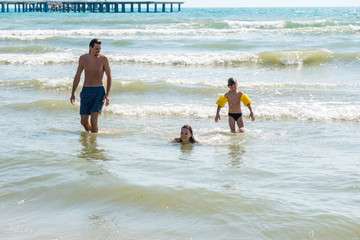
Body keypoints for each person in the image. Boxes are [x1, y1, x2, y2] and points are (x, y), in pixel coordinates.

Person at [70, 38, 112, 133]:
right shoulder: (83, 58)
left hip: (99, 91)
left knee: (94, 120)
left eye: (100, 48)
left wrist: (108, 94)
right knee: (84, 121)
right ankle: (93, 135)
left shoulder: (103, 59)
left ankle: (93, 144)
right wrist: (73, 93)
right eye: (97, 48)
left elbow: (109, 76)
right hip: (86, 91)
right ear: (90, 47)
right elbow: (77, 76)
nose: (99, 51)